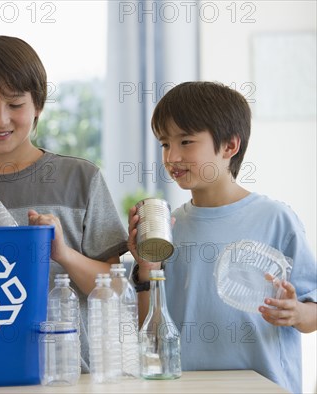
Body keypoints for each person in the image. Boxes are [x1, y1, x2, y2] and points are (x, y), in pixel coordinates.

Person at [0, 35, 129, 373]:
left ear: (37, 105)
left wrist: (64, 254)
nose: (1, 119)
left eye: (15, 103)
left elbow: (117, 290)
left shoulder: (81, 179)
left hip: (73, 376)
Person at [127, 81, 316, 393]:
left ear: (230, 146)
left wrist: (296, 313)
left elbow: (313, 312)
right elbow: (152, 333)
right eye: (164, 144)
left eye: (186, 141)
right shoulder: (170, 227)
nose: (172, 156)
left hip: (265, 386)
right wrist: (146, 269)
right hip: (185, 386)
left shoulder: (276, 219)